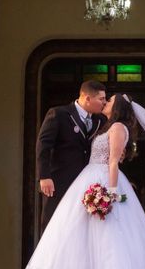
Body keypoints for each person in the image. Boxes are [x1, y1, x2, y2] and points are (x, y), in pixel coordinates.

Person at [22, 94, 145, 269]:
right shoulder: (105, 124)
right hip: (89, 177)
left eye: (109, 100)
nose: (105, 102)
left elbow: (113, 162)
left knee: (107, 232)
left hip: (103, 179)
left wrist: (111, 193)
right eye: (103, 99)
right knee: (76, 229)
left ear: (116, 106)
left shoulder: (117, 128)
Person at [36, 80, 107, 233]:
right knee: (54, 224)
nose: (104, 103)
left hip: (88, 184)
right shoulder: (59, 114)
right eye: (101, 99)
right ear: (87, 98)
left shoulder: (100, 120)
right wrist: (44, 176)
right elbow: (44, 145)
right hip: (60, 180)